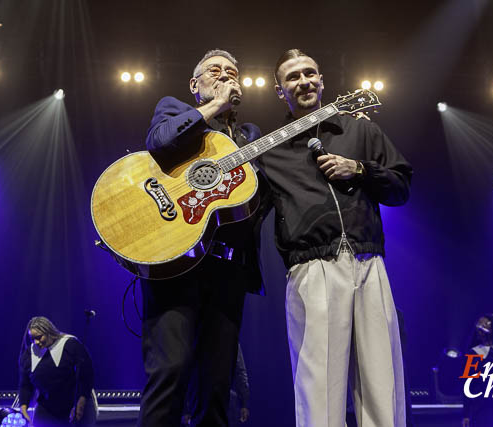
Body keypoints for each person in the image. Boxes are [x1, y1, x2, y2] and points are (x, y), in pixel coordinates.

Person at [257, 49, 413, 427]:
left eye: (310, 73)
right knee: (319, 387)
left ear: (323, 81)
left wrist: (359, 169)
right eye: (292, 77)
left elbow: (401, 188)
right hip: (312, 268)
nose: (304, 81)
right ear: (280, 91)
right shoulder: (269, 151)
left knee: (381, 381)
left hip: (368, 261)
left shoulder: (360, 129)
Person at [138, 49, 268, 427]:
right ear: (195, 85)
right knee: (170, 372)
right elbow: (160, 141)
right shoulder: (172, 108)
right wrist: (214, 107)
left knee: (216, 385)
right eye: (216, 71)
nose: (227, 77)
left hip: (227, 269)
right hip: (176, 262)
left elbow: (256, 197)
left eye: (233, 72)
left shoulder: (250, 136)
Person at [18, 316, 97, 426]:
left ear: (48, 332)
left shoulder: (70, 344)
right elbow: (25, 385)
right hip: (47, 408)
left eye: (39, 337)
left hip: (75, 404)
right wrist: (23, 408)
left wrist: (81, 401)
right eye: (32, 339)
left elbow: (87, 374)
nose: (36, 342)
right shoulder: (28, 355)